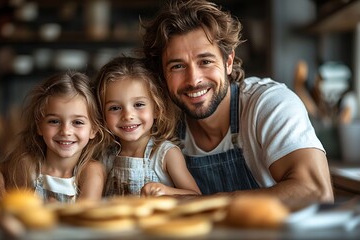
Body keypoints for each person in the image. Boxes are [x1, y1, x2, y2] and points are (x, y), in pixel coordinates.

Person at [140, 0, 333, 203]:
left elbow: (316, 192)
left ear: (228, 62)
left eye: (205, 61)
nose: (194, 80)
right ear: (162, 73)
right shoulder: (160, 123)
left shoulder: (269, 104)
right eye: (178, 66)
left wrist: (201, 203)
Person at [0, 71, 106, 203]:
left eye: (77, 122)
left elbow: (86, 214)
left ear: (94, 129)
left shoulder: (91, 172)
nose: (65, 131)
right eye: (54, 121)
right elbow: (17, 210)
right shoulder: (27, 166)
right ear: (39, 126)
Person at [94, 56, 201, 197]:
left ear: (157, 109)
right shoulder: (106, 157)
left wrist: (166, 191)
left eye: (138, 105)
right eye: (115, 108)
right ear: (102, 113)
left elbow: (195, 196)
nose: (128, 115)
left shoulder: (165, 154)